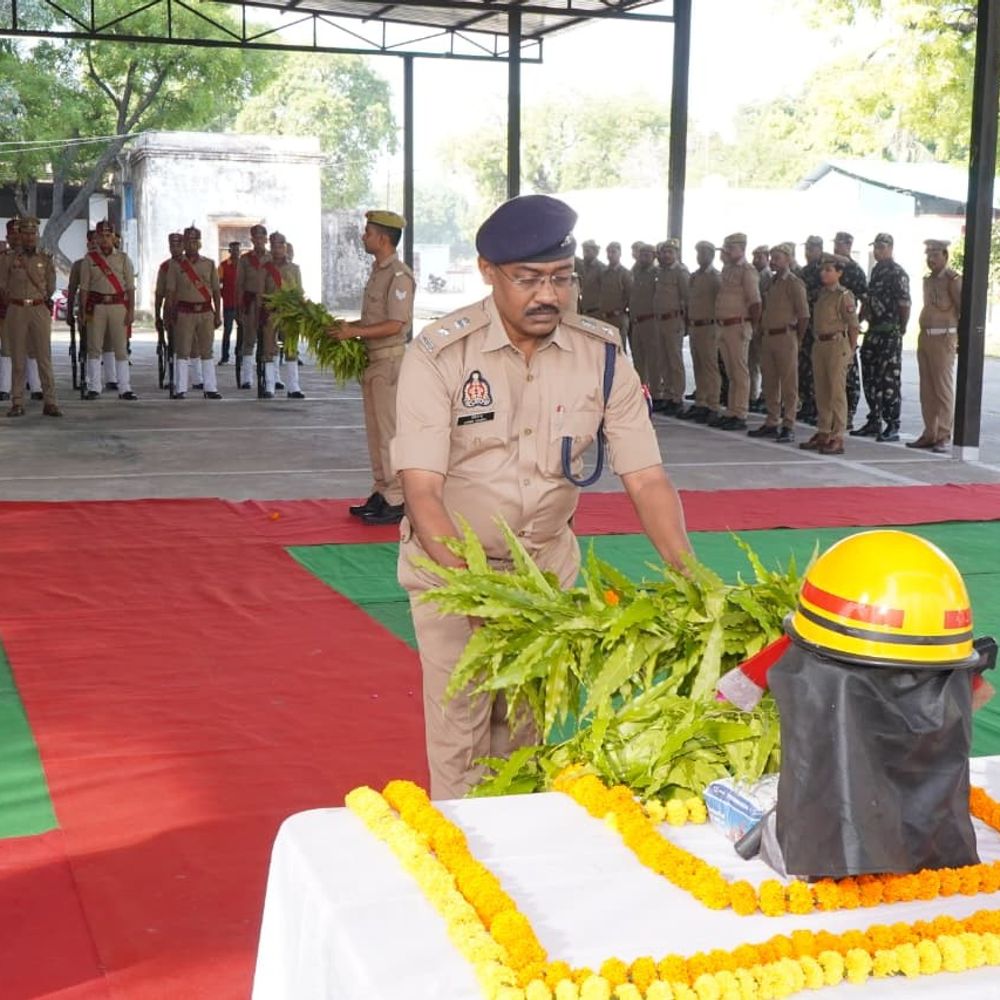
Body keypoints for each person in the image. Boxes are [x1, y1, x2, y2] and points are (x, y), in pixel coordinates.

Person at [391, 193, 693, 799]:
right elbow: (421, 490)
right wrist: (474, 590)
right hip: (454, 571)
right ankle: (459, 861)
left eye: (560, 278)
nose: (547, 295)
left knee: (529, 729)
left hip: (545, 573)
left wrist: (690, 579)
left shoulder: (603, 356)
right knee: (465, 732)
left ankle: (521, 869)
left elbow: (646, 478)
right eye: (528, 279)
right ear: (488, 272)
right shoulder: (439, 355)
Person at [330, 209, 415, 525]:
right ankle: (381, 491)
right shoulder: (378, 271)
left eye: (368, 232)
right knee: (375, 431)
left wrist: (355, 332)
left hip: (390, 361)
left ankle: (397, 497)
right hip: (374, 361)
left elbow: (396, 324)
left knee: (389, 433)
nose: (363, 237)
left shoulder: (399, 276)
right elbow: (373, 320)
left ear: (383, 238)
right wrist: (348, 327)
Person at [0, 217, 61, 418]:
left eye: (32, 233)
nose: (28, 237)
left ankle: (50, 401)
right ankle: (17, 402)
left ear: (37, 235)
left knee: (44, 357)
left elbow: (51, 285)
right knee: (18, 357)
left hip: (38, 308)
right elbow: (2, 284)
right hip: (16, 309)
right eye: (25, 233)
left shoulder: (44, 258)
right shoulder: (8, 258)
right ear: (19, 235)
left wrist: (40, 299)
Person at [748, 243, 808, 443]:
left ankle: (789, 424)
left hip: (786, 336)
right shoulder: (771, 282)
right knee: (770, 381)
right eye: (772, 257)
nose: (773, 261)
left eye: (778, 258)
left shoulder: (794, 283)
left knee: (789, 384)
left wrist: (797, 339)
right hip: (769, 337)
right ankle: (772, 421)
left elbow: (803, 315)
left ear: (789, 259)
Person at [853, 232, 910, 442]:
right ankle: (874, 420)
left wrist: (901, 328)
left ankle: (892, 424)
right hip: (874, 331)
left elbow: (905, 304)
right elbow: (868, 301)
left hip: (889, 332)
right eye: (876, 247)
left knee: (889, 381)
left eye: (882, 247)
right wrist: (859, 321)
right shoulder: (876, 271)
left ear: (891, 248)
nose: (877, 251)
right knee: (870, 378)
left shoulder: (898, 273)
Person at [800, 254, 858, 455]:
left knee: (836, 392)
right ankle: (824, 430)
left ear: (839, 273)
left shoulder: (844, 295)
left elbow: (853, 326)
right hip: (820, 344)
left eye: (829, 270)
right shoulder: (822, 294)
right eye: (822, 269)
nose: (823, 273)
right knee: (822, 390)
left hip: (836, 344)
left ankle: (838, 435)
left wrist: (850, 351)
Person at [908, 239, 961, 454]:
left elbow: (962, 309)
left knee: (942, 389)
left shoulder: (953, 280)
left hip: (943, 338)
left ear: (946, 256)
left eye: (935, 255)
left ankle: (943, 434)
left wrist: (960, 340)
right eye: (928, 255)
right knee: (927, 389)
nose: (930, 259)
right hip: (926, 337)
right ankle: (930, 432)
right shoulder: (928, 280)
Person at [79, 220, 137, 401]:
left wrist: (131, 310)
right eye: (101, 236)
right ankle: (94, 387)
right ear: (95, 238)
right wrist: (82, 311)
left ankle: (124, 387)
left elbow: (130, 288)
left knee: (120, 348)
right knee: (94, 347)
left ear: (114, 237)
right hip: (96, 307)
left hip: (118, 306)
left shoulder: (123, 258)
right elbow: (85, 288)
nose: (104, 240)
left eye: (108, 236)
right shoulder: (89, 260)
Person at [165, 226, 222, 400]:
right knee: (182, 350)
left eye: (195, 241)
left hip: (205, 311)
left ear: (200, 243)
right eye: (188, 241)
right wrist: (169, 314)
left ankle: (210, 387)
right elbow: (170, 292)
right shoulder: (175, 265)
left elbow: (216, 291)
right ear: (184, 244)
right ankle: (181, 388)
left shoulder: (209, 264)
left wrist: (217, 314)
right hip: (184, 312)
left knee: (207, 351)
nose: (192, 244)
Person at [714, 232, 762, 431]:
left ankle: (740, 412)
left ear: (742, 248)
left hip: (738, 326)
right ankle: (732, 410)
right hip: (724, 326)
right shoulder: (727, 269)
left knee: (740, 371)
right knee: (731, 371)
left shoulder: (747, 270)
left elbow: (755, 302)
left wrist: (753, 326)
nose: (726, 252)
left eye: (730, 248)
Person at [678, 240, 722, 424]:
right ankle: (701, 402)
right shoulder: (694, 277)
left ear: (711, 255)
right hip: (695, 326)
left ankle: (713, 404)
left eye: (704, 253)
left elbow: (720, 303)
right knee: (698, 365)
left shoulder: (716, 277)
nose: (701, 256)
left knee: (710, 366)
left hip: (709, 326)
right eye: (699, 253)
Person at [260, 232, 305, 399]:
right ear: (270, 248)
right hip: (271, 313)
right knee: (269, 350)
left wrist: (300, 312)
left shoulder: (294, 269)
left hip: (289, 313)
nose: (277, 249)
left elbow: (299, 292)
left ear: (285, 247)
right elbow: (260, 292)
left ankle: (294, 387)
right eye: (274, 246)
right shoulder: (265, 269)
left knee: (291, 349)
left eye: (280, 246)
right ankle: (270, 386)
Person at [832, 232, 867, 430]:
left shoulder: (854, 270)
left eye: (840, 243)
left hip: (846, 330)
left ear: (849, 244)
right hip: (830, 328)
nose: (837, 246)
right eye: (836, 243)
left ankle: (849, 415)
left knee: (849, 375)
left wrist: (855, 321)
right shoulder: (831, 267)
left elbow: (865, 298)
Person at [651, 238, 689, 414]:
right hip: (659, 321)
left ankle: (677, 397)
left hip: (673, 320)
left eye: (670, 252)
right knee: (662, 359)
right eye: (664, 252)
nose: (666, 255)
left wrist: (686, 322)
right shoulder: (660, 272)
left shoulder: (680, 272)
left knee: (675, 360)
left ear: (676, 254)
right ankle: (666, 394)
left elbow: (687, 298)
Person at [236, 224, 269, 390]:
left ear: (266, 239)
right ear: (252, 240)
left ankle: (273, 377)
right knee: (249, 340)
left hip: (268, 303)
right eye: (255, 238)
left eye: (261, 237)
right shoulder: (245, 259)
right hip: (250, 302)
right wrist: (240, 308)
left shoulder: (272, 258)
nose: (258, 241)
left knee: (270, 341)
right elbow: (239, 284)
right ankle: (247, 378)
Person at [798, 235, 824, 425]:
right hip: (805, 326)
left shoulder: (826, 270)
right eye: (807, 248)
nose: (808, 252)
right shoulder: (803, 272)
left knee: (819, 370)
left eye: (812, 248)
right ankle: (807, 404)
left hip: (820, 326)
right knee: (805, 368)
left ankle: (818, 408)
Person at [155, 232, 184, 391]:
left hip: (189, 307)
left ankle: (194, 378)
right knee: (172, 345)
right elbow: (159, 292)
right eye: (172, 246)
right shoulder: (165, 267)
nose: (175, 249)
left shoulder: (193, 264)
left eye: (178, 245)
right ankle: (173, 378)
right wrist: (157, 314)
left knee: (190, 346)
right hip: (171, 309)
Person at [628, 242, 657, 387]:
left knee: (652, 359)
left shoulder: (656, 273)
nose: (643, 258)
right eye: (641, 255)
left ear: (653, 256)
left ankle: (655, 391)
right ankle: (640, 388)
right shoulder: (635, 272)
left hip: (650, 321)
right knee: (638, 358)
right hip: (636, 321)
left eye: (647, 255)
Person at [748, 244, 772, 412]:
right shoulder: (753, 274)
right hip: (751, 323)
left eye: (760, 257)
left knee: (764, 363)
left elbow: (764, 303)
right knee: (751, 362)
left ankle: (765, 396)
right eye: (754, 256)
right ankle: (752, 395)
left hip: (763, 324)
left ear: (767, 258)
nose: (756, 260)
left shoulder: (768, 276)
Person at [0, 218, 20, 401]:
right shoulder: (3, 256)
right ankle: (5, 386)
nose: (16, 238)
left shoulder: (32, 256)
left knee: (26, 348)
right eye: (12, 234)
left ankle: (34, 386)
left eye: (18, 233)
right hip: (4, 306)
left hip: (21, 306)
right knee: (6, 348)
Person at [598, 241, 631, 348]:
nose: (610, 255)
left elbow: (630, 295)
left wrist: (622, 310)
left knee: (619, 350)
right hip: (604, 318)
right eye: (608, 252)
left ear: (619, 254)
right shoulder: (603, 273)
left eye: (613, 252)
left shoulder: (625, 273)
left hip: (619, 318)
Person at [218, 240, 241, 365]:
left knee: (241, 331)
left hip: (242, 304)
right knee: (227, 331)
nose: (236, 252)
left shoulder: (244, 265)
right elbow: (218, 283)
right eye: (234, 249)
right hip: (229, 304)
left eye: (238, 250)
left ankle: (240, 356)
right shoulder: (223, 266)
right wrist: (223, 295)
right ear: (229, 251)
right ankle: (225, 357)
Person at [574, 239, 604, 316]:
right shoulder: (581, 265)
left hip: (596, 312)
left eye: (587, 251)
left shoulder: (601, 269)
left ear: (595, 252)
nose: (585, 254)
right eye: (584, 251)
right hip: (582, 311)